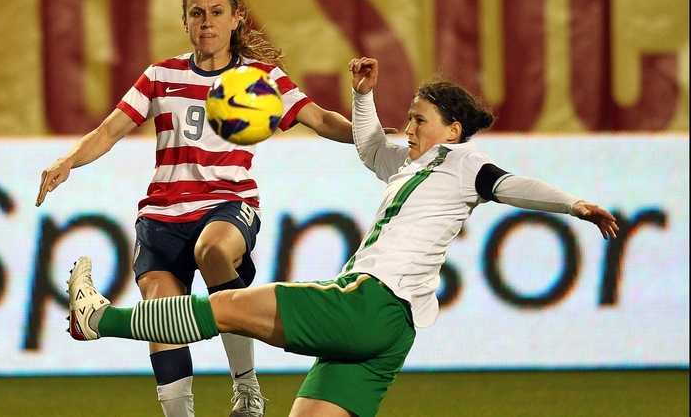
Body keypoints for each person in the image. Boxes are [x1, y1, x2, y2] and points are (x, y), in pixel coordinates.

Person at [62, 57, 619, 417]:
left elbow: (510, 185)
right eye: (410, 117)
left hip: (367, 304)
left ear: (452, 129)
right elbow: (371, 147)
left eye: (420, 119)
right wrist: (363, 97)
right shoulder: (410, 162)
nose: (410, 126)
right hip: (391, 332)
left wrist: (574, 205)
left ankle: (100, 321)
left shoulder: (462, 161)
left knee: (227, 306)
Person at [36, 0, 364, 417]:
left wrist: (374, 136)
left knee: (213, 251)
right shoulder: (160, 75)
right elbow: (110, 129)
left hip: (230, 205)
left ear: (235, 20)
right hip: (161, 218)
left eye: (216, 12)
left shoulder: (260, 79)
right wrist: (67, 162)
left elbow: (322, 120)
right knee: (162, 317)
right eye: (197, 13)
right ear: (185, 22)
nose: (206, 22)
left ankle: (246, 388)